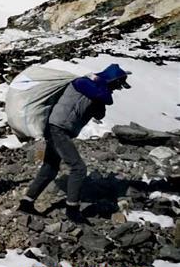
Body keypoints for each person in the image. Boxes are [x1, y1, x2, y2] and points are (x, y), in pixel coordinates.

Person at [19, 64, 130, 224]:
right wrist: (103, 86)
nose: (116, 89)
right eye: (116, 85)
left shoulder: (95, 88)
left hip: (58, 128)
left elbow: (100, 112)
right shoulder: (83, 82)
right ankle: (72, 210)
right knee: (78, 168)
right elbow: (107, 99)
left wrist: (101, 94)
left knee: (50, 168)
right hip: (58, 129)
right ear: (112, 79)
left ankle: (26, 202)